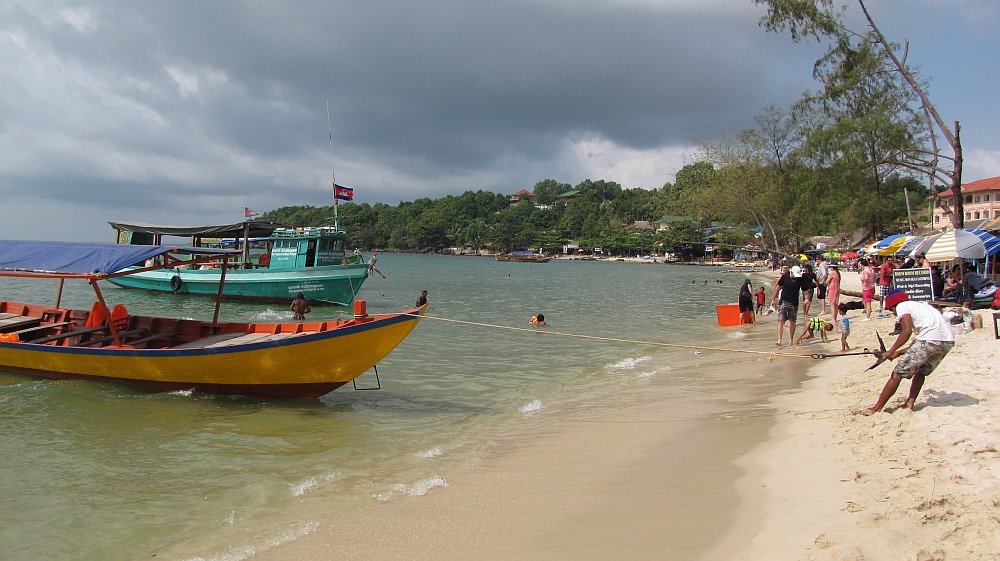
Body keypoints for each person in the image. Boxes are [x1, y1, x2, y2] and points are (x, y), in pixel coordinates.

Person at [865, 289, 955, 414]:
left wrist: (891, 350)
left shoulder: (902, 305)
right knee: (921, 372)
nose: (894, 313)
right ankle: (910, 403)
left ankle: (876, 408)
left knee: (898, 373)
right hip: (947, 342)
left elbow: (907, 332)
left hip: (929, 341)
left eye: (891, 310)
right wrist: (897, 353)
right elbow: (923, 344)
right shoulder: (923, 307)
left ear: (894, 304)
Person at [771, 265, 801, 346]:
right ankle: (779, 340)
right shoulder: (785, 277)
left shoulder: (799, 279)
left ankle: (791, 339)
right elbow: (778, 287)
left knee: (792, 321)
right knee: (781, 320)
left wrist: (807, 298)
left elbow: (805, 289)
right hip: (783, 301)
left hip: (794, 303)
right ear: (791, 272)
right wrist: (773, 299)